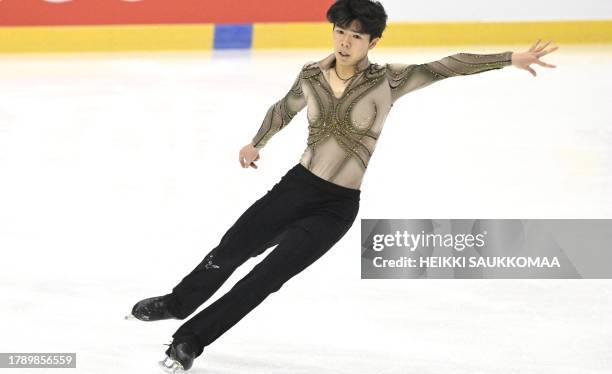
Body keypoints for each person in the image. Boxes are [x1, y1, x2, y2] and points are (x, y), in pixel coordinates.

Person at [127, 0, 558, 371]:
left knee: (265, 278)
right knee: (231, 249)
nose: (345, 41)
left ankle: (190, 342)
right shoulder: (311, 74)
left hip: (336, 208)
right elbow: (285, 108)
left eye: (357, 35)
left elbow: (445, 66)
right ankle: (178, 301)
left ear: (373, 42)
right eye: (340, 31)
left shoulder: (389, 80)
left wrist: (509, 58)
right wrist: (256, 142)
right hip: (294, 187)